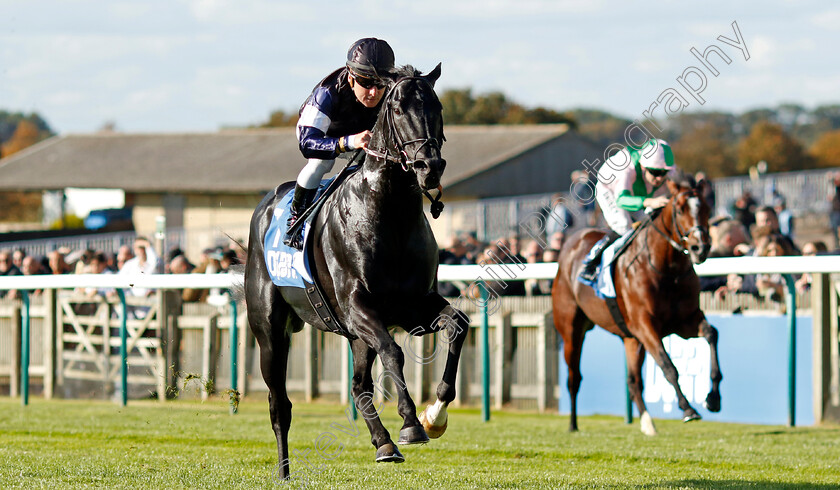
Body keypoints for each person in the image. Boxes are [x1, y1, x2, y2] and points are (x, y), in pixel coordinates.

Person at [284, 37, 397, 249]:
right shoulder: (327, 94)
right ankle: (295, 221)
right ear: (352, 78)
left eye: (381, 83)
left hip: (362, 135)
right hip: (323, 134)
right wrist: (348, 141)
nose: (374, 92)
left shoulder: (392, 91)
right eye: (366, 83)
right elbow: (307, 143)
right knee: (321, 164)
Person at [579, 138, 676, 282]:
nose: (659, 178)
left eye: (663, 173)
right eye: (655, 172)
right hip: (611, 190)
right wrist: (650, 201)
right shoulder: (628, 169)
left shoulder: (662, 170)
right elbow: (622, 200)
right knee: (624, 225)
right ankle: (591, 263)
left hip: (636, 193)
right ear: (643, 167)